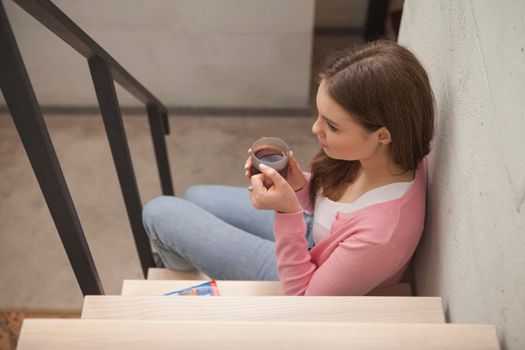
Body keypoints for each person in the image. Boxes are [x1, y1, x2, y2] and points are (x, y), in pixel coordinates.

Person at [142, 40, 434, 296]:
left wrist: (286, 212)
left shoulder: (382, 237)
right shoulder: (393, 155)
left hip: (300, 274)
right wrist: (299, 185)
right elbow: (336, 212)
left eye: (331, 126)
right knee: (196, 195)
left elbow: (304, 297)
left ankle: (181, 277)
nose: (314, 129)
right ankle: (192, 262)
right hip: (311, 236)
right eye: (319, 115)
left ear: (382, 135)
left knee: (160, 213)